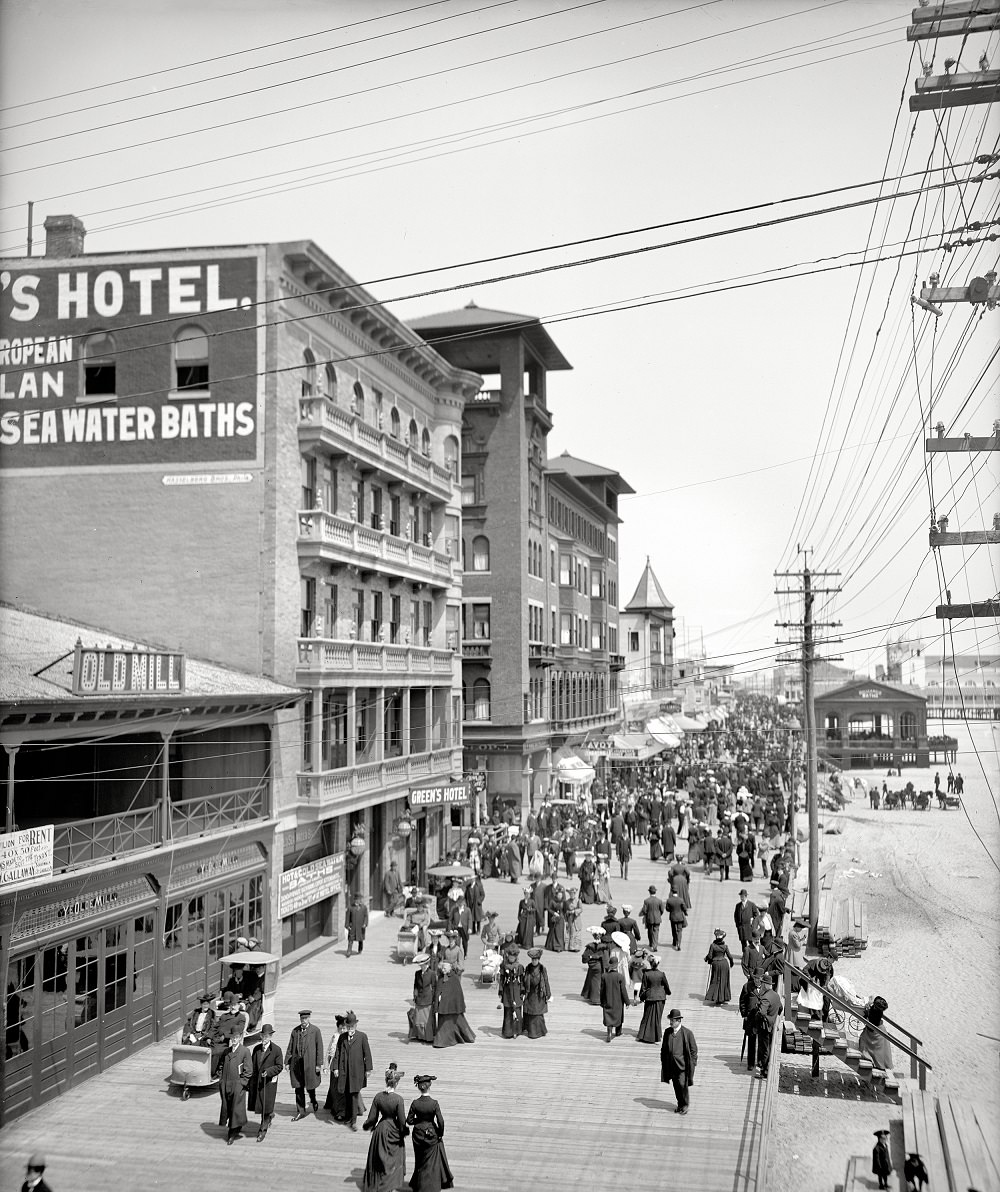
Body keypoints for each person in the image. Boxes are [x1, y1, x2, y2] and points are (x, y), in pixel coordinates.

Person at [362, 1063, 409, 1192]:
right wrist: (404, 1131)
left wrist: (368, 1126)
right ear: (396, 1083)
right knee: (393, 1158)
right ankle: (390, 1184)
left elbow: (372, 1118)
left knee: (378, 1159)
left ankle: (377, 1183)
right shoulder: (398, 1099)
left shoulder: (378, 1097)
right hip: (393, 1130)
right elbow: (401, 1121)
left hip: (381, 1130)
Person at [406, 1075, 454, 1191]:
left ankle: (418, 1183)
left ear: (419, 1088)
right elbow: (440, 1121)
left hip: (417, 1134)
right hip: (431, 1134)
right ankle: (430, 1185)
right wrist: (440, 1133)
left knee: (419, 1160)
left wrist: (420, 1121)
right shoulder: (434, 1103)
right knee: (431, 1161)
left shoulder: (415, 1103)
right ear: (429, 1087)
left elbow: (409, 1120)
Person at [333, 1010, 373, 1130]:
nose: (350, 1028)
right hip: (344, 1072)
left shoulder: (362, 1037)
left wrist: (368, 1069)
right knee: (346, 1094)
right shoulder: (342, 1038)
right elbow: (337, 1053)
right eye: (348, 1026)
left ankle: (354, 1121)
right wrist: (335, 1067)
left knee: (355, 1094)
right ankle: (349, 1116)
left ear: (356, 1025)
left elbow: (367, 1053)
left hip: (356, 1072)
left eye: (352, 1026)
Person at [286, 1009, 323, 1120]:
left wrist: (318, 1064)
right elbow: (290, 1047)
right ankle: (301, 1111)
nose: (304, 1020)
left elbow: (319, 1048)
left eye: (306, 1018)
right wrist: (287, 1061)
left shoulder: (315, 1031)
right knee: (298, 1087)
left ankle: (313, 1099)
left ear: (309, 1019)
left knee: (310, 1086)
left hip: (310, 1064)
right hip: (297, 1064)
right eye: (302, 1019)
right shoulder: (295, 1031)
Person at [248, 1023, 283, 1143]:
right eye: (263, 1036)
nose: (264, 1038)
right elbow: (253, 1065)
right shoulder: (256, 1049)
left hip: (269, 1083)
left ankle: (262, 1129)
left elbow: (279, 1066)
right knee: (261, 1104)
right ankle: (268, 1117)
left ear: (271, 1037)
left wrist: (268, 1072)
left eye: (267, 1036)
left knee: (266, 1105)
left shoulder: (276, 1050)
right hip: (257, 1082)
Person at [660, 1008, 698, 1115]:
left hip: (683, 1066)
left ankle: (685, 1104)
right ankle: (680, 1104)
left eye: (673, 1020)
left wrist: (693, 1063)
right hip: (671, 1065)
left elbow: (693, 1050)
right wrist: (663, 1060)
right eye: (670, 1020)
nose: (671, 1022)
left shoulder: (687, 1033)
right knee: (676, 1086)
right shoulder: (668, 1032)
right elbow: (664, 1048)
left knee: (682, 1085)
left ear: (679, 1021)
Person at [218, 1031, 253, 1145]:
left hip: (238, 1085)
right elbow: (221, 1065)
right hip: (225, 1084)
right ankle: (237, 1126)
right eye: (232, 1037)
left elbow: (248, 1070)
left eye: (236, 1037)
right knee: (227, 1107)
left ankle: (231, 1133)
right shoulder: (226, 1051)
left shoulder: (244, 1051)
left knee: (236, 1108)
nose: (234, 1039)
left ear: (240, 1038)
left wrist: (242, 1083)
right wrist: (221, 1080)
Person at [433, 963, 476, 1048]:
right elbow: (438, 990)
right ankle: (441, 1041)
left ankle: (446, 1041)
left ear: (450, 968)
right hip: (443, 1006)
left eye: (445, 968)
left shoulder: (455, 978)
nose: (443, 970)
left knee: (460, 1022)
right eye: (442, 968)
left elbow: (457, 993)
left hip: (453, 1006)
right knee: (443, 1024)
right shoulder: (441, 977)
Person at [752, 975, 782, 1078]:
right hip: (772, 1025)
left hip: (764, 1026)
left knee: (764, 1049)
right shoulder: (776, 995)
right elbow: (780, 1008)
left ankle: (764, 1070)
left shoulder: (765, 997)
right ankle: (766, 1068)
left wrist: (760, 1015)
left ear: (765, 984)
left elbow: (761, 1012)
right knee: (768, 1047)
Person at [636, 954, 670, 1043]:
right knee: (657, 1017)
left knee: (646, 1016)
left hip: (650, 997)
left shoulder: (646, 974)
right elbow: (666, 986)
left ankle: (643, 1036)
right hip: (660, 997)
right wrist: (668, 992)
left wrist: (642, 997)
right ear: (658, 964)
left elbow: (643, 987)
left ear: (650, 964)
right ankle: (656, 1036)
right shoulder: (661, 974)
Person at [857, 995, 893, 1078]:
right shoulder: (878, 1012)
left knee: (872, 1049)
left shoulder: (874, 1013)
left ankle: (877, 1065)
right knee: (881, 1052)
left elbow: (871, 1027)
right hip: (880, 1030)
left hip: (875, 1033)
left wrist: (866, 1013)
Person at [600, 949, 631, 1042]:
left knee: (608, 1016)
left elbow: (601, 990)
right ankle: (618, 1032)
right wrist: (627, 1002)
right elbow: (623, 991)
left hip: (608, 1000)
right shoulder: (620, 977)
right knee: (618, 1016)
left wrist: (601, 1001)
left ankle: (609, 1033)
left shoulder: (604, 976)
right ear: (617, 965)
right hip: (618, 1001)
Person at [521, 948, 551, 1038]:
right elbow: (524, 980)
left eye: (536, 960)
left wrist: (548, 993)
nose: (534, 961)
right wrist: (523, 991)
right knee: (530, 1012)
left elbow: (546, 981)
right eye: (533, 960)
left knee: (537, 1013)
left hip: (539, 994)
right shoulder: (528, 968)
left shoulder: (542, 969)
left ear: (538, 960)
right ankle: (530, 1030)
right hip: (530, 993)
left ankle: (539, 1031)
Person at [408, 955, 437, 1045]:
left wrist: (434, 999)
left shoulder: (432, 973)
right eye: (420, 965)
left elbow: (434, 986)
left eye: (422, 965)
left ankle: (428, 1037)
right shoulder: (417, 973)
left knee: (427, 1020)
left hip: (428, 999)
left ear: (426, 964)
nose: (421, 966)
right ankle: (420, 1036)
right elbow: (415, 986)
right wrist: (415, 996)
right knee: (419, 1020)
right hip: (419, 999)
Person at [497, 948, 525, 1038]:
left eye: (513, 957)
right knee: (508, 1011)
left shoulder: (520, 967)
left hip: (517, 991)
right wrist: (500, 990)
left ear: (516, 957)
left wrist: (522, 990)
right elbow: (501, 979)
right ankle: (508, 1032)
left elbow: (522, 980)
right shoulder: (504, 966)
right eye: (510, 957)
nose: (511, 959)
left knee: (517, 1011)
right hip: (507, 991)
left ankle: (517, 1030)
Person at [704, 929, 735, 1006]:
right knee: (724, 980)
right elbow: (730, 956)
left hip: (716, 963)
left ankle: (714, 996)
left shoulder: (713, 946)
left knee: (715, 979)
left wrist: (707, 959)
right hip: (724, 964)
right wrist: (731, 963)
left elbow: (710, 956)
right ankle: (722, 997)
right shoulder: (725, 946)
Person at [580, 927, 607, 1005]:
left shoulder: (589, 946)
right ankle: (596, 999)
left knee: (591, 981)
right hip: (600, 966)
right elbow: (605, 959)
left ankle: (591, 997)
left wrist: (590, 957)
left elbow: (584, 958)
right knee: (597, 982)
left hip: (591, 966)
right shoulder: (604, 947)